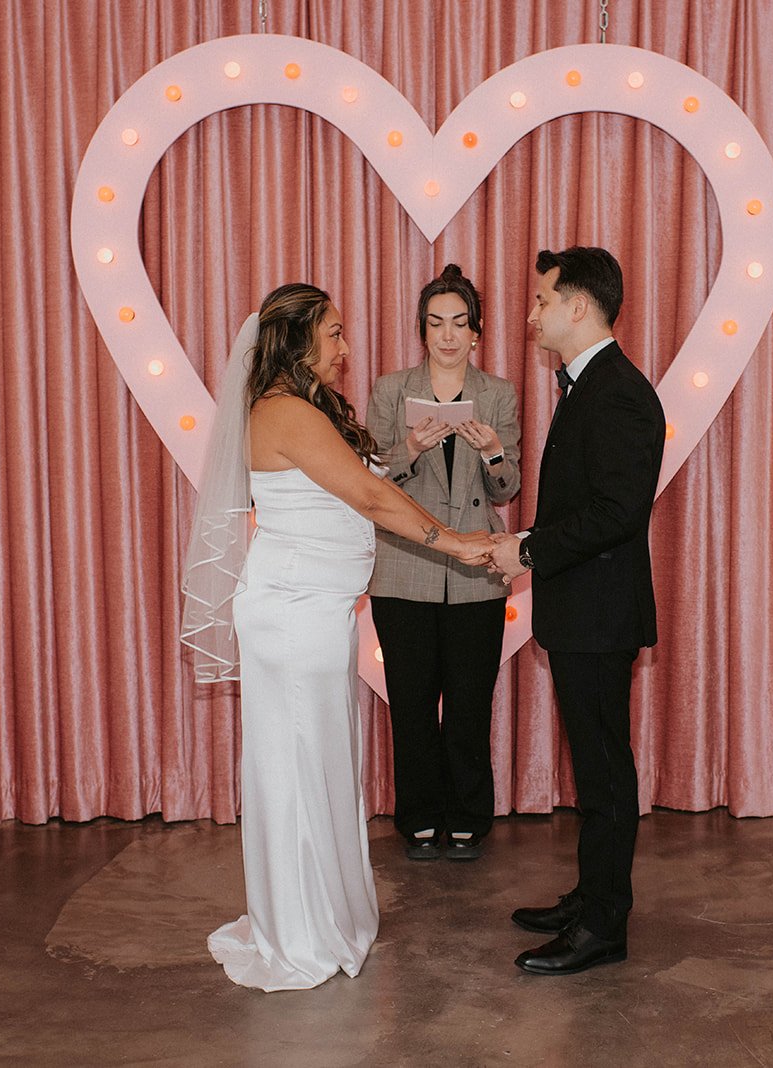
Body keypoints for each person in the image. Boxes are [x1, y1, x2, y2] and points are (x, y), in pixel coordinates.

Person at [180, 283, 494, 992]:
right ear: (297, 342)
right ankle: (299, 931)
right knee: (297, 768)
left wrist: (400, 453)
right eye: (335, 335)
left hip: (314, 612)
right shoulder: (283, 411)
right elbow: (372, 498)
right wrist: (461, 544)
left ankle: (318, 913)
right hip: (292, 614)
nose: (346, 349)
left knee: (318, 761)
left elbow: (355, 478)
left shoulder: (303, 408)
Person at [488, 247, 666, 976]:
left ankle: (603, 925)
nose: (531, 314)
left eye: (541, 300)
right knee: (593, 769)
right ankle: (593, 896)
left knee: (603, 773)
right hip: (582, 611)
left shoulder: (619, 393)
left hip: (598, 614)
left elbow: (617, 513)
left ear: (579, 307)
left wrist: (525, 551)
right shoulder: (587, 387)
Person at [366, 264, 522, 862]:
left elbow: (506, 489)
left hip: (477, 571)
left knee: (468, 703)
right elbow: (373, 480)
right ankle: (419, 818)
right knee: (409, 702)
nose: (448, 335)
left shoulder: (499, 393)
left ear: (477, 333)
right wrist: (410, 448)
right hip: (403, 567)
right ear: (420, 331)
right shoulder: (389, 389)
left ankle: (468, 818)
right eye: (436, 324)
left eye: (460, 323)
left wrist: (494, 451)